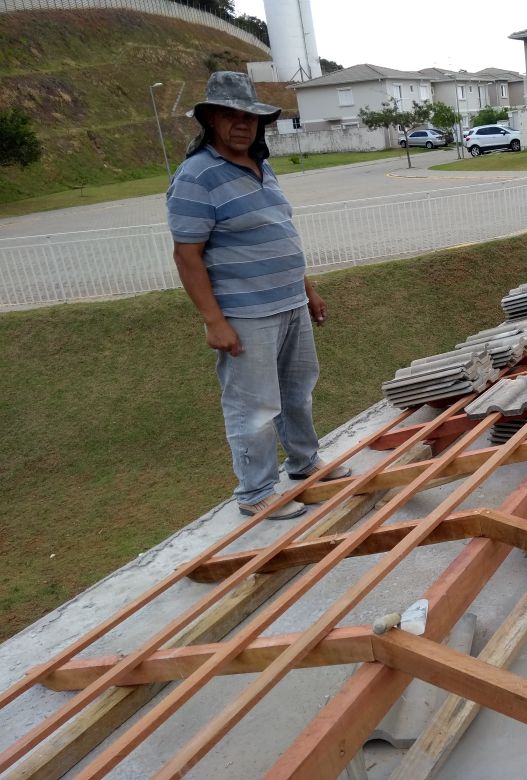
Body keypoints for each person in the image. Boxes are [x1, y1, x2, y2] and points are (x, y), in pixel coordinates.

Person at [166, 71, 349, 521]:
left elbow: (280, 233)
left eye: (249, 116)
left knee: (297, 393)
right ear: (209, 120)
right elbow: (187, 255)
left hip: (289, 304)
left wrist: (307, 290)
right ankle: (255, 493)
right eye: (230, 115)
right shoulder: (197, 176)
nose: (242, 124)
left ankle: (305, 465)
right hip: (246, 315)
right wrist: (214, 320)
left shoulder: (260, 165)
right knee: (254, 407)